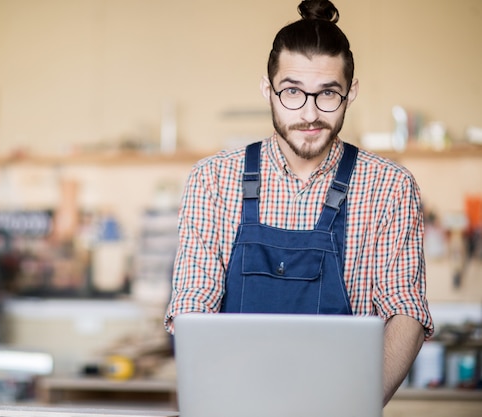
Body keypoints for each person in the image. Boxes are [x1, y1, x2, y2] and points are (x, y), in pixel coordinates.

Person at [164, 0, 433, 406]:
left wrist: (353, 406)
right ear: (266, 89)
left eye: (328, 94)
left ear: (351, 92)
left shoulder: (390, 187)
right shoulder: (213, 180)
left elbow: (406, 309)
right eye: (292, 92)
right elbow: (191, 306)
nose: (309, 114)